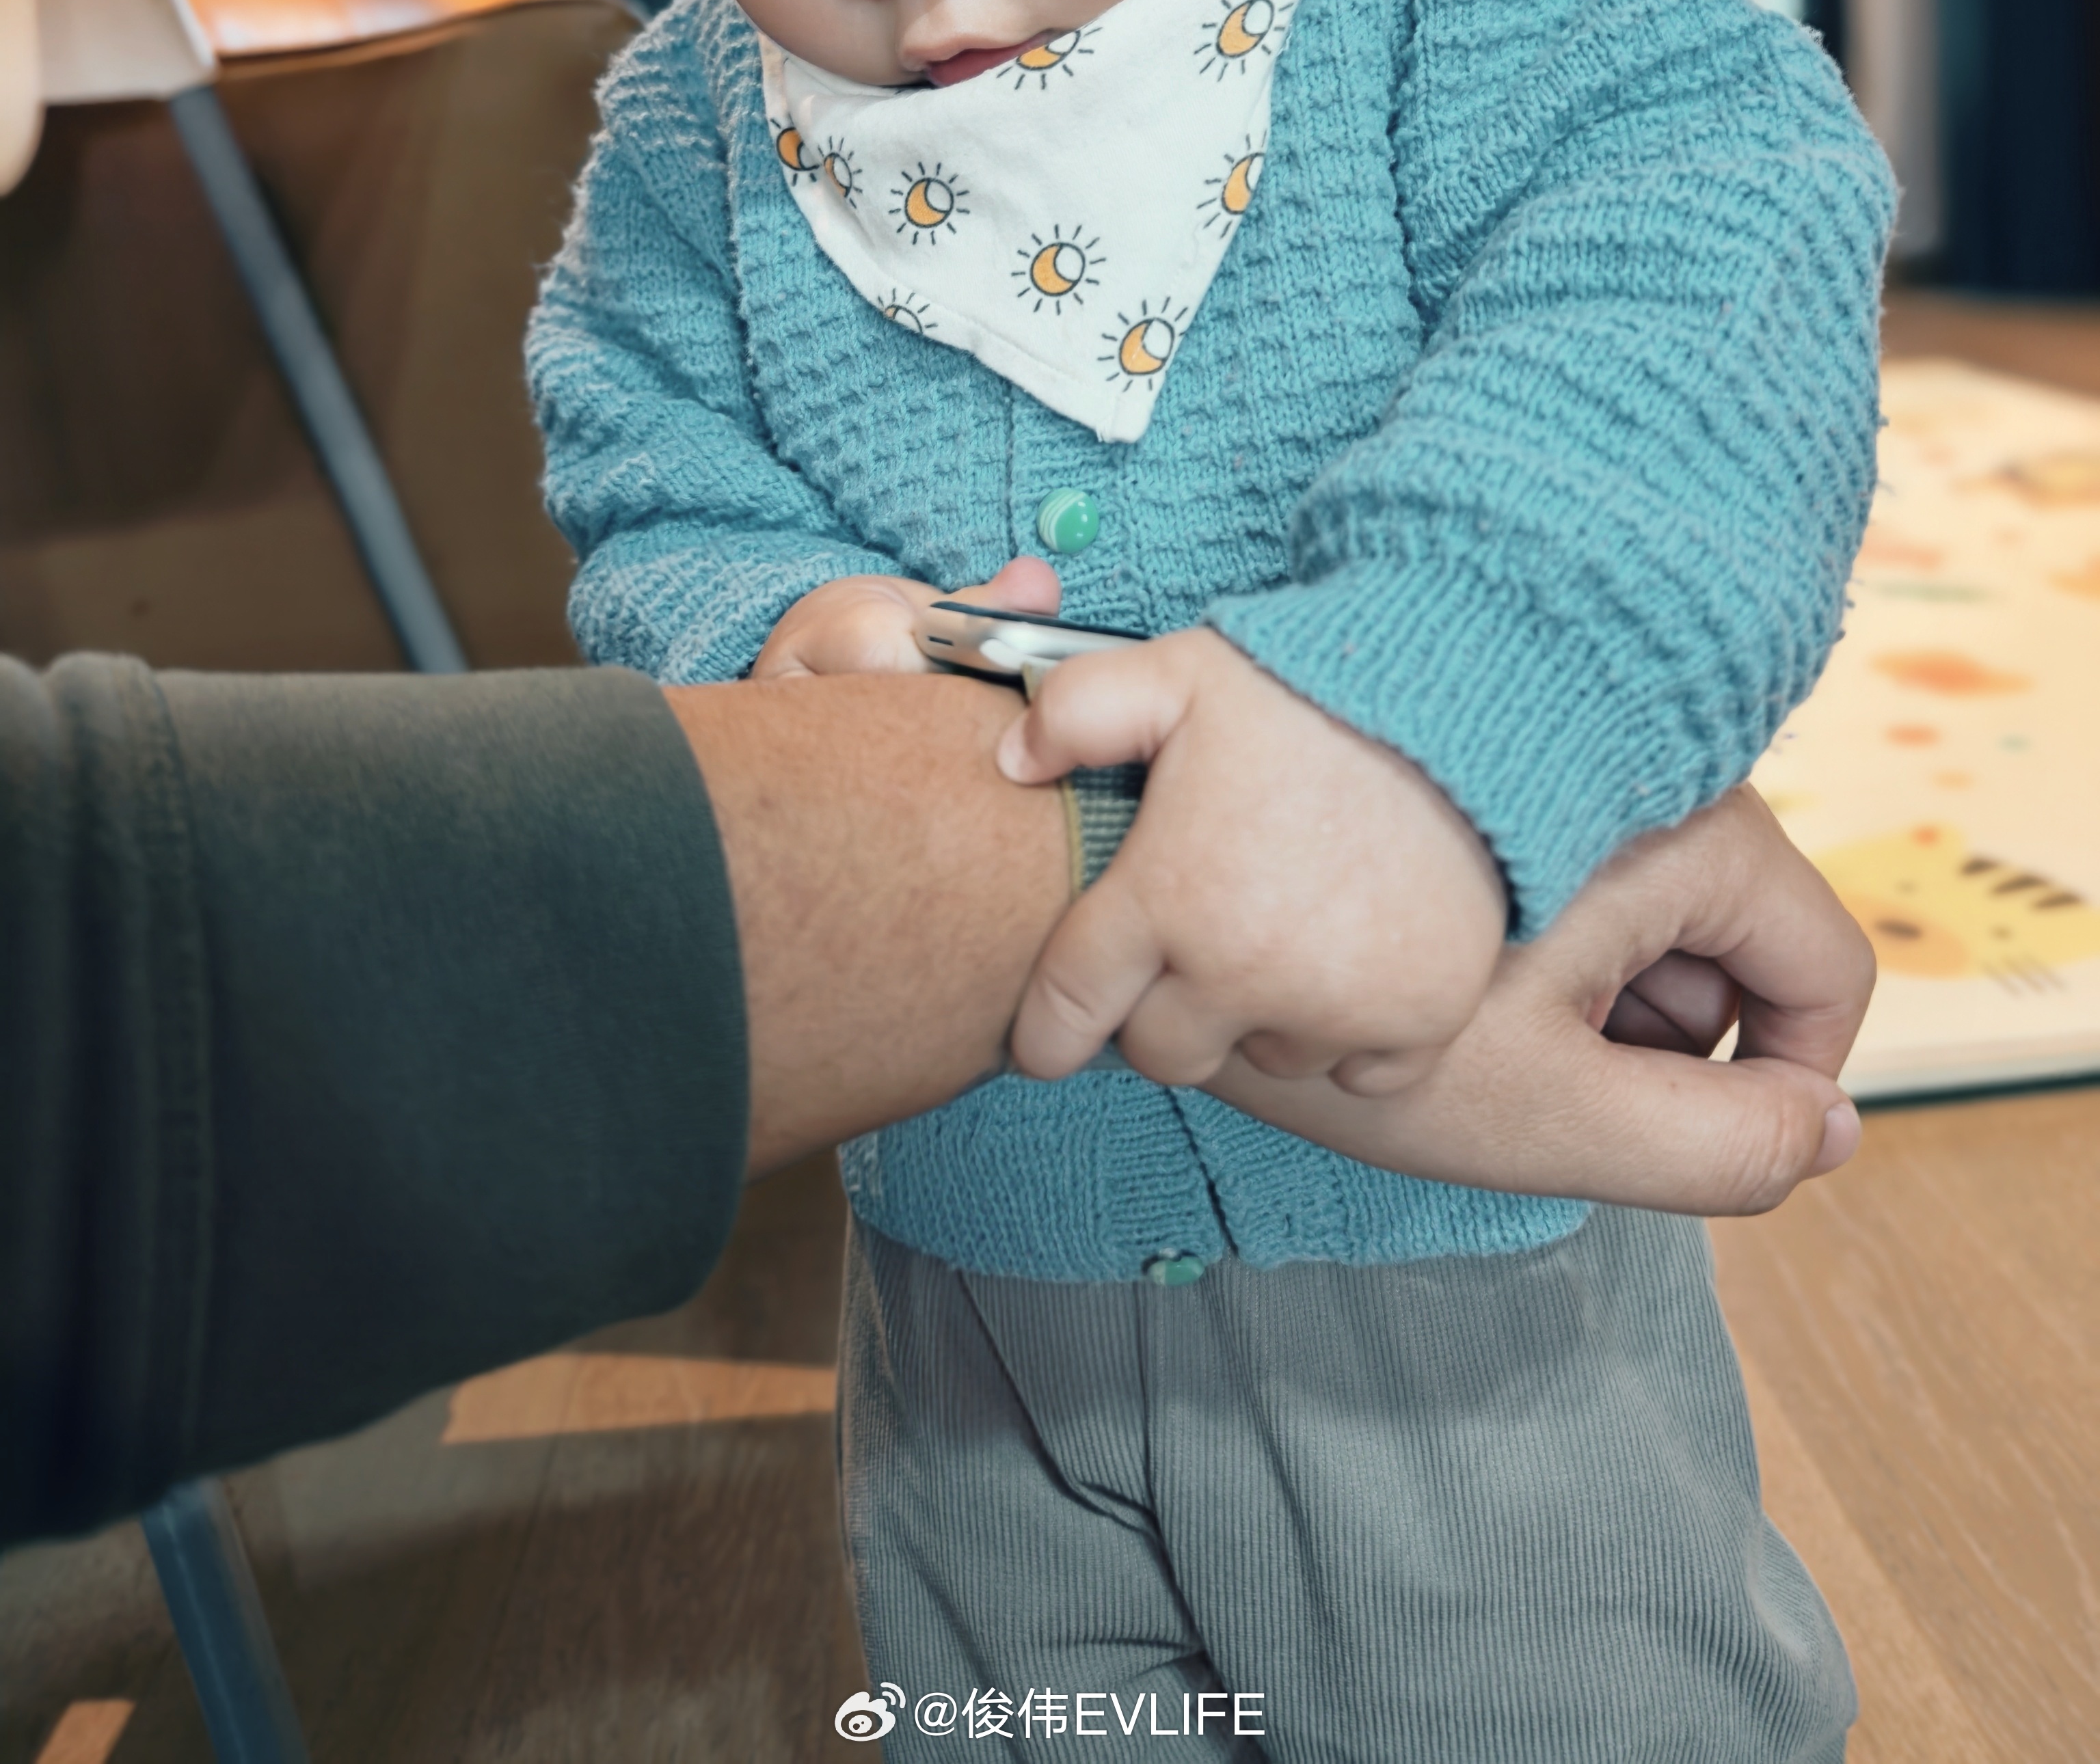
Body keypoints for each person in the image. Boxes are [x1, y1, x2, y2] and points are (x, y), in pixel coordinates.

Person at [407, 0, 1895, 1754]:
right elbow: (635, 462)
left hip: (1460, 1318)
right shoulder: (690, 154)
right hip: (987, 1291)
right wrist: (762, 644)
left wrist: (1423, 712)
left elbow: (1726, 244)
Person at [2, 647, 1868, 1560]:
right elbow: (653, 507)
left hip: (1471, 1354)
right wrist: (775, 642)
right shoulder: (688, 133)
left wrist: (1450, 743)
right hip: (979, 1339)